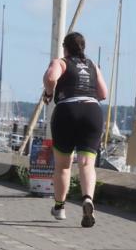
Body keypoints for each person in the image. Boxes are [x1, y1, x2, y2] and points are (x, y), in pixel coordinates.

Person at [42, 32, 108, 227]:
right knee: (87, 164)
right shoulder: (93, 65)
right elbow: (103, 93)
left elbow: (51, 78)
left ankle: (60, 207)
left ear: (65, 48)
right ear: (83, 48)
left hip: (67, 110)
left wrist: (48, 93)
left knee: (63, 165)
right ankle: (88, 198)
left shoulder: (61, 62)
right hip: (92, 111)